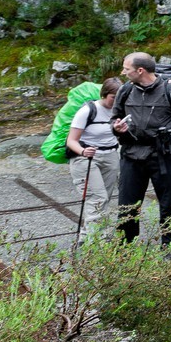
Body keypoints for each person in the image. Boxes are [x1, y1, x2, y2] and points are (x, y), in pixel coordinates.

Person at [112, 52, 171, 253]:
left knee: (169, 205)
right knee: (127, 207)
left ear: (140, 70)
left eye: (126, 69)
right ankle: (126, 251)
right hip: (131, 155)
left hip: (164, 155)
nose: (123, 72)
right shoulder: (124, 91)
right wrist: (115, 128)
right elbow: (114, 117)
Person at [65, 77, 123, 232]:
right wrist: (83, 151)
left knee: (104, 199)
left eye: (119, 98)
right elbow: (71, 141)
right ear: (104, 94)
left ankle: (87, 238)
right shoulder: (87, 111)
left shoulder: (119, 111)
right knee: (97, 199)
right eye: (113, 98)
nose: (116, 101)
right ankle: (97, 241)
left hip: (110, 156)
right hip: (86, 158)